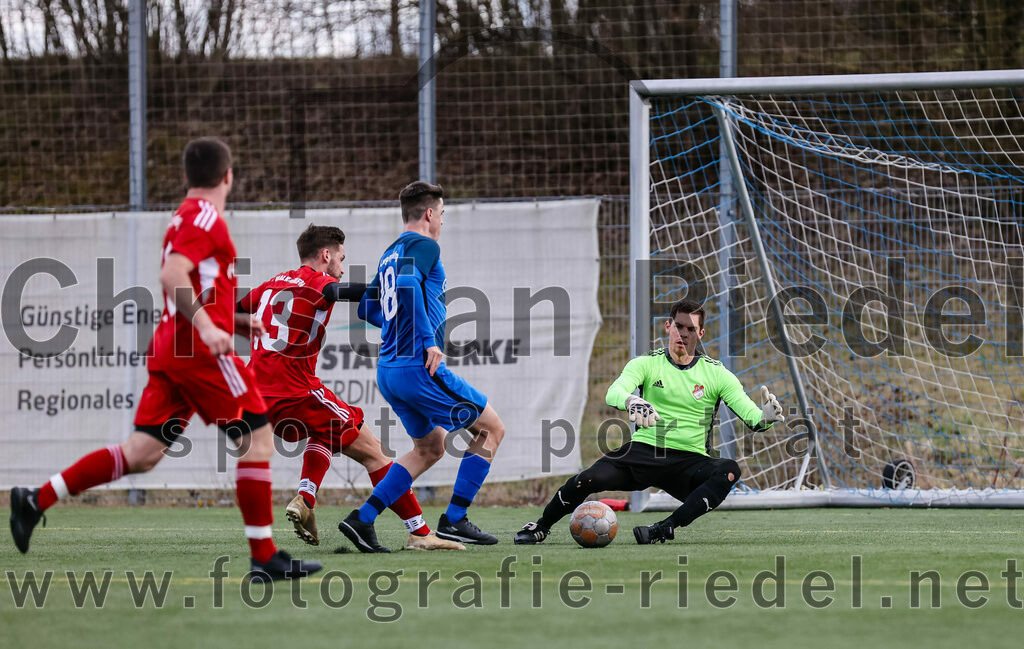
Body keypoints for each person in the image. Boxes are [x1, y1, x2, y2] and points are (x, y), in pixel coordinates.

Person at [8, 137, 320, 582]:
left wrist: (232, 321)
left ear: (187, 175)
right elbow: (172, 275)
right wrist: (209, 328)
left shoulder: (183, 216)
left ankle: (35, 499)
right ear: (228, 176)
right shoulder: (205, 217)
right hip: (198, 354)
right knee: (258, 441)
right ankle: (264, 557)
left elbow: (194, 286)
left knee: (141, 454)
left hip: (174, 349)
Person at [238, 224, 463, 551]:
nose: (342, 268)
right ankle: (419, 532)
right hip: (294, 390)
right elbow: (335, 292)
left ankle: (305, 498)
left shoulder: (271, 284)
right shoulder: (317, 281)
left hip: (255, 395)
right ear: (325, 255)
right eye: (341, 259)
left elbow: (234, 309)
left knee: (326, 430)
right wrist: (386, 287)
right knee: (375, 452)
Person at [514, 298, 785, 545]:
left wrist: (766, 417)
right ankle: (541, 526)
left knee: (729, 470)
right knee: (585, 479)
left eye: (691, 329)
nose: (683, 334)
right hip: (643, 453)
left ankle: (664, 528)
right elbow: (614, 392)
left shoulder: (717, 374)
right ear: (668, 327)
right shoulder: (646, 364)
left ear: (701, 334)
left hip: (689, 462)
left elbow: (751, 417)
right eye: (678, 326)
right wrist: (632, 401)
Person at [337, 181, 505, 551]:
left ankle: (362, 519)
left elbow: (367, 308)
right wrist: (428, 339)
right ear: (429, 213)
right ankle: (455, 519)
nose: (442, 221)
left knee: (429, 448)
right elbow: (409, 283)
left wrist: (399, 327)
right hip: (417, 367)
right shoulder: (425, 245)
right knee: (491, 430)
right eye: (442, 214)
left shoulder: (390, 253)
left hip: (389, 370)